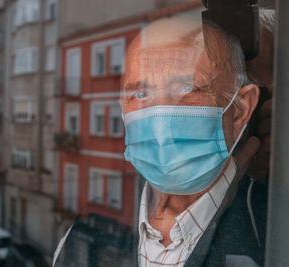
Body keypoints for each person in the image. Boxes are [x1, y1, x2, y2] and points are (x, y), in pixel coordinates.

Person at [53, 11, 272, 267]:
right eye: (141, 93)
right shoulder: (84, 232)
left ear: (241, 110)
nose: (159, 115)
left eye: (187, 88)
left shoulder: (271, 230)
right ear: (122, 108)